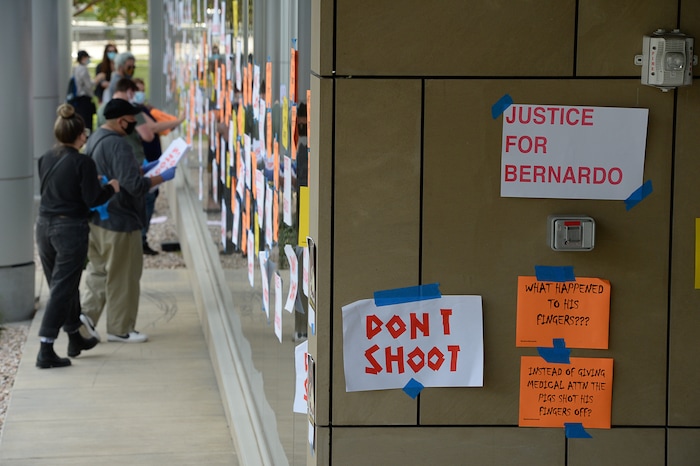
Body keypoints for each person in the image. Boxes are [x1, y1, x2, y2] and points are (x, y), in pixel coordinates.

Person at [81, 98, 177, 343]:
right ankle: (121, 329)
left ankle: (86, 319)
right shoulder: (119, 145)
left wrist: (145, 169)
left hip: (98, 218)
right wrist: (161, 177)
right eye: (132, 119)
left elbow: (119, 174)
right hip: (121, 221)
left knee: (99, 272)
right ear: (121, 120)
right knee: (123, 276)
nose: (136, 123)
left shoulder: (95, 140)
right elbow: (133, 186)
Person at [35, 104, 119, 368]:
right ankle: (45, 349)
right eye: (84, 132)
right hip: (69, 229)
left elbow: (58, 189)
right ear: (80, 136)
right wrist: (110, 187)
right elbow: (93, 198)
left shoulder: (45, 158)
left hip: (44, 227)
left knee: (61, 284)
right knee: (62, 287)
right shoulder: (83, 162)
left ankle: (75, 337)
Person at [131, 77, 186, 254]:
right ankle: (140, 239)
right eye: (137, 90)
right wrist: (178, 121)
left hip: (151, 160)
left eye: (142, 89)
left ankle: (141, 239)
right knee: (147, 199)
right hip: (146, 162)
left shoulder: (143, 108)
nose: (140, 93)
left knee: (150, 199)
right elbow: (152, 129)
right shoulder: (136, 112)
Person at [72, 50, 105, 134]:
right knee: (87, 123)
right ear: (83, 58)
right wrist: (98, 79)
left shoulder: (76, 68)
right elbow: (89, 85)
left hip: (79, 100)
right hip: (84, 99)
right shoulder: (83, 70)